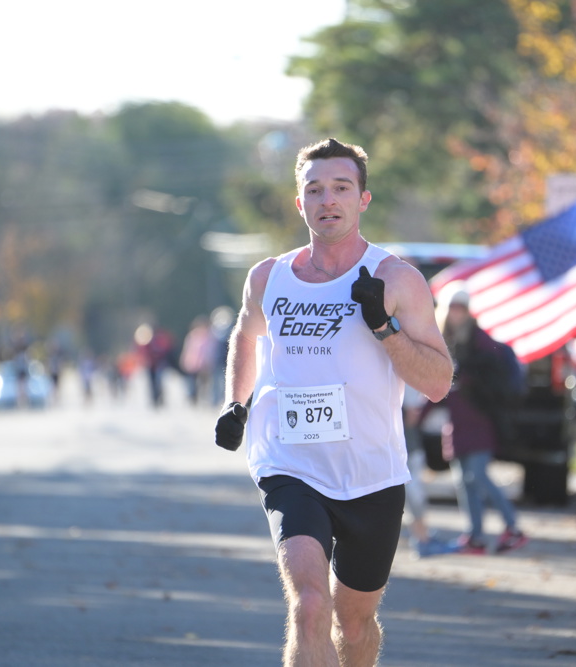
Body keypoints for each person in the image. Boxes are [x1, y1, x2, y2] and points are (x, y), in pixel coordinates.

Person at [213, 137, 453, 666]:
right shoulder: (268, 277)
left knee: (355, 623)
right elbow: (246, 335)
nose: (328, 200)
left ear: (362, 199)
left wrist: (384, 328)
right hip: (291, 465)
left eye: (341, 188)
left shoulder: (396, 279)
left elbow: (438, 381)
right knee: (310, 606)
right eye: (315, 189)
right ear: (299, 202)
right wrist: (236, 403)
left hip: (372, 474)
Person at [434, 282, 528, 555]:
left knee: (478, 475)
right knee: (464, 482)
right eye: (453, 307)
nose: (457, 313)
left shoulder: (480, 342)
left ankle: (513, 527)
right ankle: (475, 536)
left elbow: (484, 380)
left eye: (462, 307)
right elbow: (438, 385)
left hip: (481, 422)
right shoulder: (442, 340)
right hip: (457, 426)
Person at [402, 383, 458, 558]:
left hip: (403, 447)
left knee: (411, 494)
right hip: (406, 448)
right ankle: (422, 540)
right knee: (413, 493)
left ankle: (422, 537)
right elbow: (412, 415)